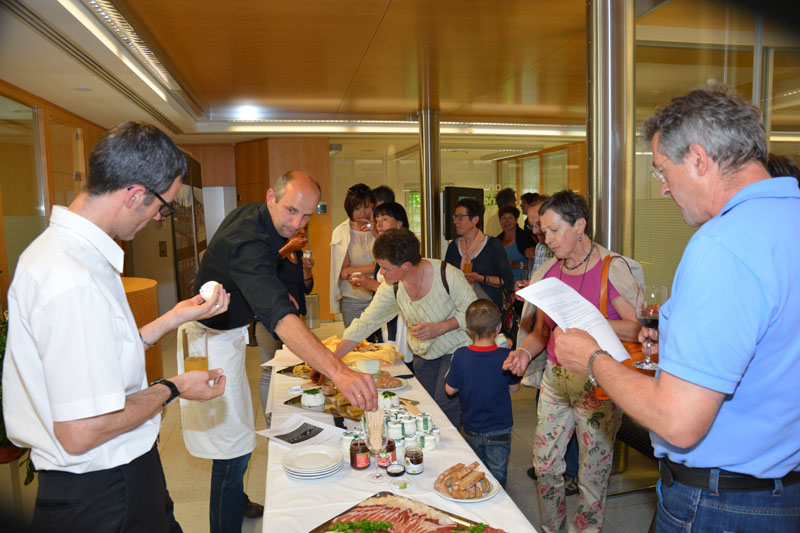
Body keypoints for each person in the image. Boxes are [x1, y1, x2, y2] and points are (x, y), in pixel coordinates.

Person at [553, 86, 800, 532]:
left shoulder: (722, 244)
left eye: (663, 170)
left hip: (721, 504)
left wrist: (592, 360)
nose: (664, 189)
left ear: (699, 160)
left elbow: (678, 421)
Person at [2, 121, 231, 532]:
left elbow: (103, 354)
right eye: (162, 208)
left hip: (122, 475)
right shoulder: (71, 276)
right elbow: (81, 432)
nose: (159, 220)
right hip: (101, 492)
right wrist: (173, 388)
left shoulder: (75, 254)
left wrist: (176, 316)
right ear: (135, 195)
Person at [179, 171, 377, 533]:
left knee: (236, 432)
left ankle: (236, 500)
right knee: (231, 448)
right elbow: (279, 317)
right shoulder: (248, 239)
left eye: (305, 216)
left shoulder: (258, 214)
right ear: (271, 196)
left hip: (230, 334)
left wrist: (269, 295)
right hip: (208, 343)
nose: (296, 223)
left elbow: (257, 282)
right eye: (290, 212)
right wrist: (339, 371)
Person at [503, 190, 641, 533]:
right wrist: (524, 352)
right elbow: (539, 331)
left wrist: (590, 322)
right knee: (546, 466)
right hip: (556, 378)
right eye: (542, 231)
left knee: (592, 474)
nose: (546, 239)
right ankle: (552, 529)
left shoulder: (612, 267)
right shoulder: (550, 272)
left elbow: (638, 328)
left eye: (553, 230)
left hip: (597, 380)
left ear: (579, 225)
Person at [331, 228, 477, 426]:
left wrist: (440, 328)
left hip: (456, 351)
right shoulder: (394, 286)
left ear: (407, 266)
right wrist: (330, 362)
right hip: (423, 353)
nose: (381, 273)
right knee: (425, 406)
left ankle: (453, 454)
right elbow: (366, 323)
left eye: (386, 268)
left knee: (445, 407)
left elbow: (475, 315)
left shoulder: (447, 275)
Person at [445, 299, 521, 487]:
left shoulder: (460, 355)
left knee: (475, 472)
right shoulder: (506, 357)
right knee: (497, 475)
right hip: (499, 428)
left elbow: (449, 390)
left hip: (472, 426)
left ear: (468, 329)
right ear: (499, 327)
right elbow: (515, 388)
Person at [256, 226, 314, 416]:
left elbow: (306, 288)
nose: (302, 234)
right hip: (269, 320)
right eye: (299, 230)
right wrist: (288, 248)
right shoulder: (272, 250)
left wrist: (307, 272)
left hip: (294, 319)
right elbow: (264, 271)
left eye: (305, 230)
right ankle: (270, 417)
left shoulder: (297, 255)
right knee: (270, 371)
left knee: (294, 369)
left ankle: (289, 411)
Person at [349, 201, 413, 368]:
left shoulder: (407, 251)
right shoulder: (385, 249)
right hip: (387, 315)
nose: (379, 223)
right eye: (377, 219)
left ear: (399, 223)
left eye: (385, 219)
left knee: (402, 362)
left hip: (403, 317)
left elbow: (406, 290)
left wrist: (373, 285)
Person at [444, 198, 513, 310]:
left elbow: (506, 281)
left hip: (487, 309)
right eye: (455, 217)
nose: (455, 221)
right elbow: (446, 278)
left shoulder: (493, 245)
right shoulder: (454, 246)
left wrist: (480, 278)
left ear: (475, 219)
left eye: (460, 217)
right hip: (458, 307)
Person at [330, 183, 378, 328]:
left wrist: (375, 232)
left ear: (374, 206)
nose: (362, 213)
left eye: (366, 207)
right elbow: (344, 272)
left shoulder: (381, 227)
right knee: (357, 345)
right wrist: (374, 268)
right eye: (357, 208)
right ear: (350, 210)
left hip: (380, 295)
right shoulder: (342, 232)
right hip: (353, 298)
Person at [497, 205, 535, 283]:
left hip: (522, 285)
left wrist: (517, 265)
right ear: (500, 221)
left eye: (510, 218)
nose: (506, 221)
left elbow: (536, 263)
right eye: (503, 218)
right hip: (503, 286)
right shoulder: (497, 240)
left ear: (516, 220)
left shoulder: (525, 237)